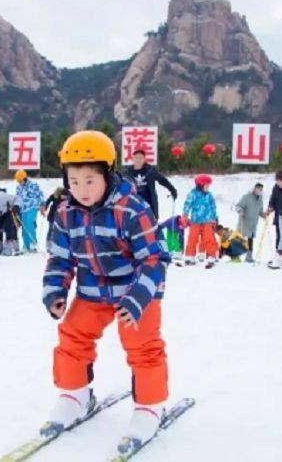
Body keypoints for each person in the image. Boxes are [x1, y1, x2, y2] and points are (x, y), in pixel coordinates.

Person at [40, 130, 170, 454]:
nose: (81, 190)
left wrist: (138, 299)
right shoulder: (66, 213)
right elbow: (60, 256)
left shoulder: (132, 209)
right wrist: (56, 290)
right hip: (92, 291)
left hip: (134, 291)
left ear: (108, 175)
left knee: (142, 345)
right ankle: (75, 396)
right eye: (73, 182)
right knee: (72, 334)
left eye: (89, 181)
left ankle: (150, 407)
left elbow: (154, 258)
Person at [123, 148, 177, 219]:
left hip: (149, 206)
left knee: (150, 227)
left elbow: (163, 180)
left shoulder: (150, 171)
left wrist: (172, 190)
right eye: (136, 157)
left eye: (141, 157)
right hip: (133, 206)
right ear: (133, 159)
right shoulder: (127, 173)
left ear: (144, 159)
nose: (138, 160)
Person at [181, 174, 219, 267]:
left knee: (209, 238)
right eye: (206, 186)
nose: (208, 187)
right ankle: (190, 256)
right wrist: (185, 215)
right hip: (195, 221)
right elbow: (187, 204)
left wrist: (214, 218)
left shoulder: (209, 195)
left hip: (207, 221)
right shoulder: (193, 194)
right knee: (192, 238)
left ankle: (211, 256)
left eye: (208, 186)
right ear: (200, 185)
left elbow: (213, 207)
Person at [14, 170, 45, 252]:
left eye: (20, 181)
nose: (19, 183)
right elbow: (17, 198)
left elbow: (40, 194)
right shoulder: (18, 187)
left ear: (24, 178)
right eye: (18, 181)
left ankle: (33, 243)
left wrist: (42, 205)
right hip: (23, 209)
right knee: (24, 226)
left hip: (32, 207)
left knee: (29, 223)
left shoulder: (33, 185)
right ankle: (26, 245)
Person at [234, 183, 266, 263]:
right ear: (254, 188)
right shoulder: (246, 197)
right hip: (244, 222)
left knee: (250, 240)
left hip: (253, 224)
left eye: (261, 189)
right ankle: (235, 256)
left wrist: (264, 215)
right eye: (259, 189)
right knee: (239, 240)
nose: (260, 191)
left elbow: (260, 212)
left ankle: (249, 257)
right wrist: (240, 211)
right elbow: (238, 206)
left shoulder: (260, 199)